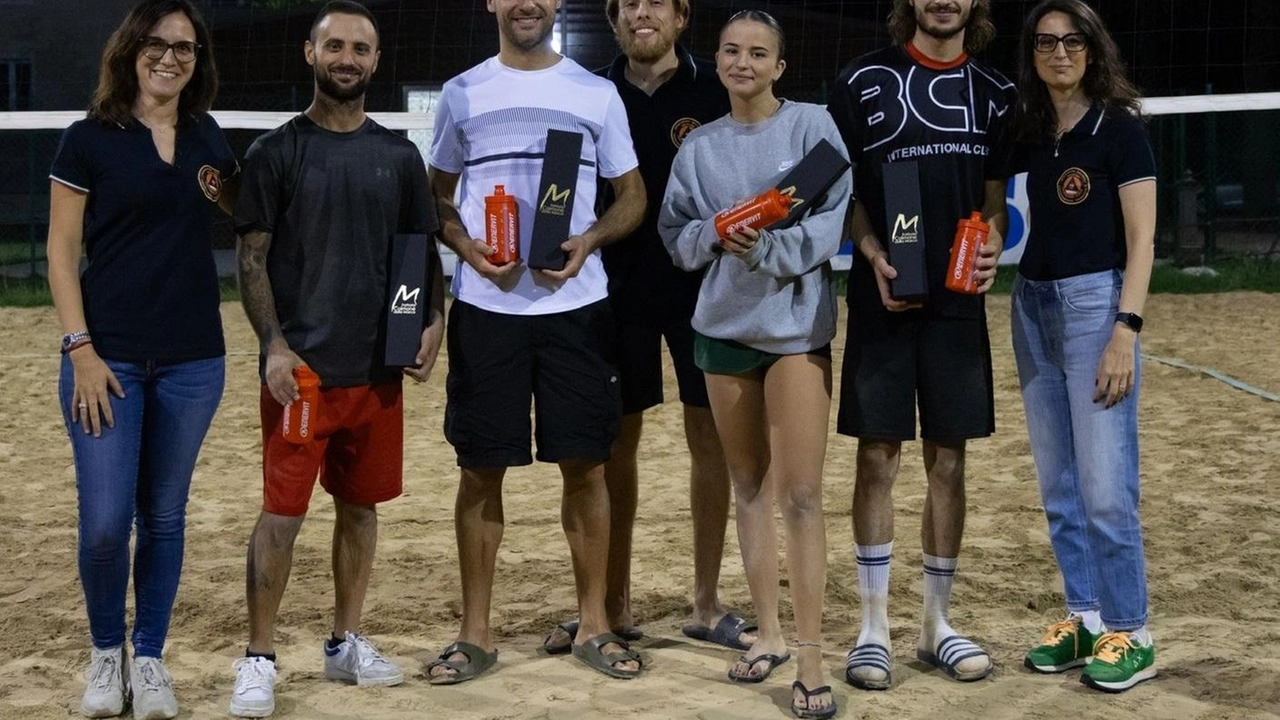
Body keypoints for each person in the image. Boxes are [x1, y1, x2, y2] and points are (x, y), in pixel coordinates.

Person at [227, 2, 444, 716]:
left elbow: (419, 252)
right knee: (281, 517)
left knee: (360, 511)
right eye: (335, 46)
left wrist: (431, 323)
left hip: (377, 373)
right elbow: (250, 259)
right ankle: (259, 656)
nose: (348, 58)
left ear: (376, 62)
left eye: (361, 48)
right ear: (310, 54)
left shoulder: (398, 156)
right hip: (304, 377)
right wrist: (274, 346)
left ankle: (345, 640)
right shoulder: (276, 153)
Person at [425, 0, 646, 684]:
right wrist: (464, 241)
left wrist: (589, 242)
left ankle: (594, 624)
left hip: (575, 308)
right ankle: (476, 634)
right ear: (491, 3)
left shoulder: (595, 92)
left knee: (586, 466)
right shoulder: (462, 92)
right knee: (480, 468)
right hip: (487, 307)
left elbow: (631, 197)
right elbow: (437, 197)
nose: (526, 3)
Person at [539, 0, 753, 656]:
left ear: (682, 17)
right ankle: (613, 600)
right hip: (613, 288)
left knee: (710, 438)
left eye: (654, 2)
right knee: (613, 446)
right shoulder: (586, 92)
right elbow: (557, 185)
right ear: (613, 18)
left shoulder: (717, 89)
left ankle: (707, 601)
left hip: (705, 288)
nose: (641, 13)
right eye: (628, 3)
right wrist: (547, 247)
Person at [659, 11, 849, 719]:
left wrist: (767, 250)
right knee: (749, 488)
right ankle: (765, 632)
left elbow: (829, 222)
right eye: (732, 51)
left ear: (779, 65)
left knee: (801, 495)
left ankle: (808, 654)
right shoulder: (700, 148)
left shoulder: (811, 129)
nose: (743, 62)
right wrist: (715, 233)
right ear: (718, 60)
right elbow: (676, 236)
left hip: (795, 330)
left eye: (758, 53)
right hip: (722, 332)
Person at [46, 1, 234, 717]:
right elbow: (62, 256)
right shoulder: (88, 140)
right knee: (104, 522)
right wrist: (81, 349)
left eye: (184, 47)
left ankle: (149, 657)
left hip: (193, 362)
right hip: (107, 360)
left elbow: (250, 222)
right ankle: (105, 653)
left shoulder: (208, 140)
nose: (169, 57)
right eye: (156, 44)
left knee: (163, 517)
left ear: (198, 59)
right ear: (129, 51)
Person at [827, 0, 1016, 689]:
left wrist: (994, 241)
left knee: (950, 462)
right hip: (885, 292)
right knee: (878, 455)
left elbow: (996, 198)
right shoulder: (860, 82)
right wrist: (870, 251)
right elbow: (841, 188)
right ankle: (873, 627)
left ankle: (937, 623)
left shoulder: (996, 93)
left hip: (957, 302)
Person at [1011, 0, 1157, 693]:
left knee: (1105, 487)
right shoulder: (1033, 129)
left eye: (1072, 41)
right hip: (1032, 304)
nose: (1059, 52)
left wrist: (1125, 330)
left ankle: (1132, 629)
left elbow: (1143, 241)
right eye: (1045, 42)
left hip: (1096, 306)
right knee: (1059, 485)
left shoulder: (1120, 130)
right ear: (1032, 53)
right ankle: (1086, 617)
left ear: (1093, 50)